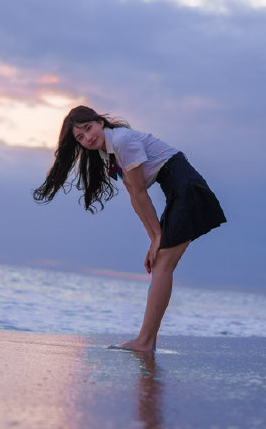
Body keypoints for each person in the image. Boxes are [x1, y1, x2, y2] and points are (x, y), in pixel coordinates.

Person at [33, 106, 226, 353]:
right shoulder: (107, 154)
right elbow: (135, 196)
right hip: (178, 191)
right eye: (80, 138)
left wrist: (157, 238)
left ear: (99, 122)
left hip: (188, 189)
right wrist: (153, 238)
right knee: (160, 264)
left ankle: (144, 342)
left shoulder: (122, 141)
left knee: (163, 265)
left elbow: (140, 192)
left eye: (88, 129)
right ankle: (148, 341)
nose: (87, 138)